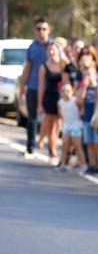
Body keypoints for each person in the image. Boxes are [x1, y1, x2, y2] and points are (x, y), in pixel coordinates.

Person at [19, 18, 51, 158]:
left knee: (51, 119)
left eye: (44, 29)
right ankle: (30, 147)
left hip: (50, 89)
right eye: (38, 29)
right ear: (35, 30)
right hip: (33, 86)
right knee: (32, 119)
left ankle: (52, 149)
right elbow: (27, 67)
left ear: (48, 30)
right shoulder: (32, 47)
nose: (41, 32)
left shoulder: (53, 47)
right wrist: (22, 86)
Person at [76, 46, 98, 174]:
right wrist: (85, 85)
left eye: (88, 68)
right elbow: (79, 100)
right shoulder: (83, 83)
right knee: (89, 142)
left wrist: (94, 83)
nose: (86, 72)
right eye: (84, 68)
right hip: (87, 115)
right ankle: (92, 165)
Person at [37, 42, 65, 163]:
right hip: (49, 97)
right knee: (50, 124)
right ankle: (53, 150)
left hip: (62, 97)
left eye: (53, 49)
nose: (51, 52)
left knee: (59, 124)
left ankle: (47, 142)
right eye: (49, 50)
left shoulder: (63, 64)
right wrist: (39, 103)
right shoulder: (44, 67)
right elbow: (41, 85)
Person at [56, 83, 86, 172]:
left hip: (76, 125)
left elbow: (82, 104)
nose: (66, 93)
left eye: (68, 91)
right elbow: (60, 114)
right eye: (63, 91)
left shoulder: (75, 101)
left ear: (72, 92)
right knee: (65, 145)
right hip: (66, 125)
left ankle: (83, 164)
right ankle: (63, 163)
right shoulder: (60, 102)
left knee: (77, 146)